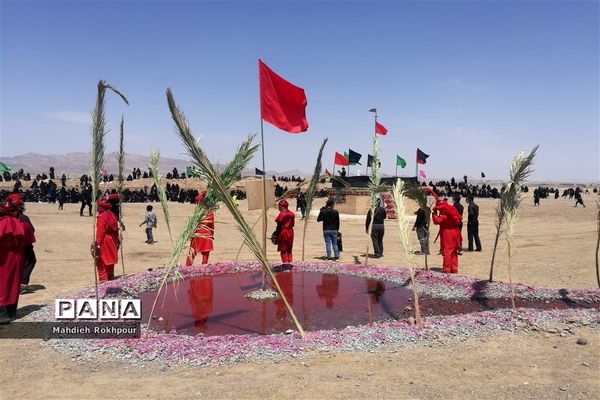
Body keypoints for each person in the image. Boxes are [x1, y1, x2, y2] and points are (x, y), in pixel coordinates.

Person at [0, 194, 35, 323]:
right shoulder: (23, 223)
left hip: (3, 257)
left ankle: (2, 313)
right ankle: (11, 312)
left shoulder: (3, 222)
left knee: (2, 284)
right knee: (14, 283)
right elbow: (29, 240)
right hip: (19, 256)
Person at [430, 192, 462, 274]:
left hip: (447, 233)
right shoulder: (452, 209)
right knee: (454, 251)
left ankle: (447, 268)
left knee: (447, 251)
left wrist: (434, 214)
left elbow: (436, 221)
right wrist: (432, 192)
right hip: (456, 232)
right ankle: (454, 268)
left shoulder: (445, 215)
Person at [93, 197, 119, 282]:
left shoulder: (101, 217)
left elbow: (100, 231)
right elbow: (116, 230)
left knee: (100, 259)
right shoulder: (112, 215)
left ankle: (103, 278)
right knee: (110, 259)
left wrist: (97, 243)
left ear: (101, 207)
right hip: (112, 239)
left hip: (105, 240)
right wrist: (117, 240)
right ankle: (110, 275)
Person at [186, 191, 214, 265]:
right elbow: (211, 224)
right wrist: (212, 235)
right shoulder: (209, 212)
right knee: (205, 252)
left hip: (197, 233)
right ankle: (204, 265)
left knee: (192, 250)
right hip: (206, 233)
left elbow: (192, 223)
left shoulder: (197, 212)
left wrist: (190, 232)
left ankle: (188, 265)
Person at [19, 205, 37, 292]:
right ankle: (23, 283)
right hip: (25, 244)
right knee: (31, 260)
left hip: (10, 245)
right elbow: (32, 230)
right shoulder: (24, 217)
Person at [274, 199, 295, 264]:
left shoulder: (282, 214)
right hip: (291, 231)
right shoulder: (292, 214)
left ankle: (285, 263)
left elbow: (279, 225)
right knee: (289, 248)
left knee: (283, 248)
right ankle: (290, 262)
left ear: (281, 206)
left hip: (284, 231)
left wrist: (276, 234)